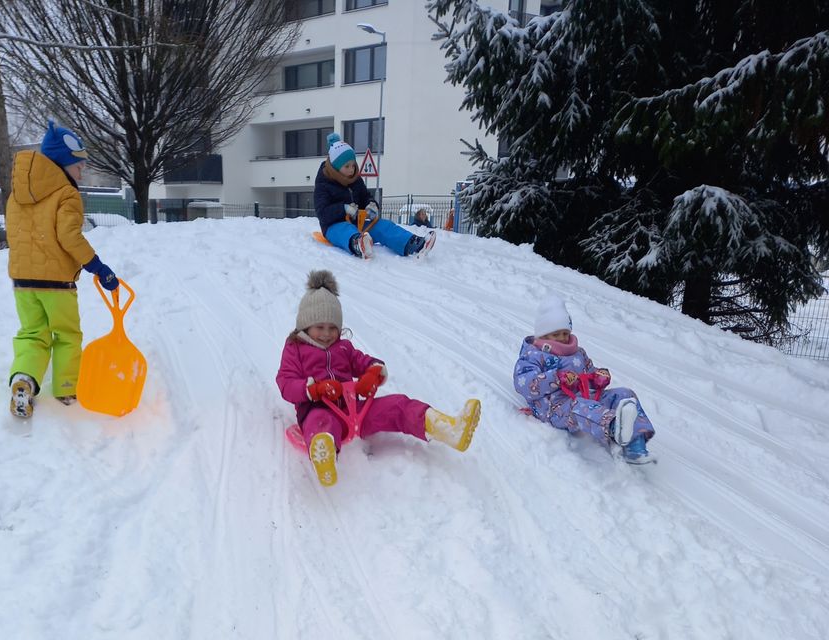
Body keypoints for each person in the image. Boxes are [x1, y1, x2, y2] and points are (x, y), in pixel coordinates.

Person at [277, 269, 481, 486]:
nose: (327, 334)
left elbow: (366, 362)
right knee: (321, 423)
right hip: (319, 409)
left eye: (332, 328)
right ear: (305, 326)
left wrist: (373, 374)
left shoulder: (344, 348)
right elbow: (286, 382)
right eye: (320, 327)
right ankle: (324, 457)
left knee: (398, 405)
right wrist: (314, 389)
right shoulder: (295, 349)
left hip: (355, 410)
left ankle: (448, 429)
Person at [4, 119, 120, 418]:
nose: (82, 171)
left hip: (22, 282)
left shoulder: (16, 194)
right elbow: (69, 236)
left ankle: (24, 380)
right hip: (56, 283)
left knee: (32, 334)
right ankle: (67, 389)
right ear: (62, 163)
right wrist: (96, 266)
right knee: (67, 334)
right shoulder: (66, 194)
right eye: (78, 165)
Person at [513, 295, 655, 463]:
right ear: (544, 335)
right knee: (581, 407)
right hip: (555, 408)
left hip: (583, 397)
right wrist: (556, 378)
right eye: (556, 334)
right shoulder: (534, 355)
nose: (562, 338)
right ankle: (614, 427)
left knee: (625, 394)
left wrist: (598, 377)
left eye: (565, 333)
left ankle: (635, 446)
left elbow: (589, 372)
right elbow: (524, 384)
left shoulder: (578, 353)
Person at [314, 133, 435, 260]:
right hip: (333, 227)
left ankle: (413, 244)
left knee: (383, 226)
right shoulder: (324, 183)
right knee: (346, 230)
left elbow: (365, 196)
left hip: (358, 222)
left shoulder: (355, 179)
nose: (351, 170)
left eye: (353, 165)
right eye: (347, 166)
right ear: (336, 167)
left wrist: (371, 205)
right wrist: (344, 209)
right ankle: (359, 244)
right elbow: (322, 212)